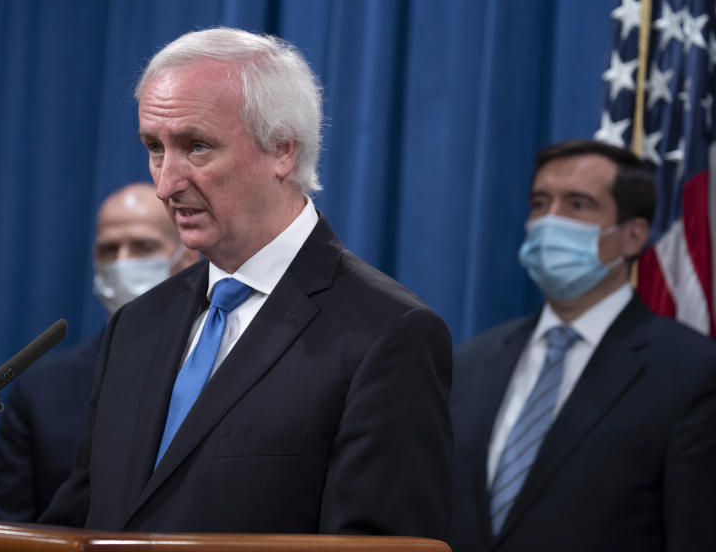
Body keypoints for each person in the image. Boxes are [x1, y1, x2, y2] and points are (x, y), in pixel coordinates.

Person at [39, 27, 453, 537]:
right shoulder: (137, 324)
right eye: (154, 147)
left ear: (282, 150)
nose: (166, 184)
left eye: (196, 147)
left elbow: (376, 546)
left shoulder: (387, 334)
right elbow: (82, 519)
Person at [449, 139, 716, 552]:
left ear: (632, 236)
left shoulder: (691, 370)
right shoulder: (471, 362)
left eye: (577, 205)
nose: (548, 221)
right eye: (539, 204)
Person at [0, 183, 197, 522]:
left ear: (189, 257)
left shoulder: (214, 366)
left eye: (142, 247)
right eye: (109, 250)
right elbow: (4, 524)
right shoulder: (42, 390)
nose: (122, 263)